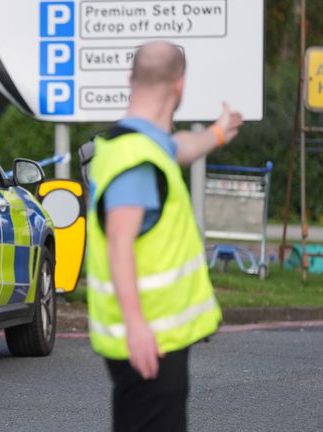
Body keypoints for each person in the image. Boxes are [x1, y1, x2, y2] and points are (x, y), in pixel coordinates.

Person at [86, 41, 243, 431]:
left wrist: (218, 134)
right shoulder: (137, 162)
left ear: (130, 80)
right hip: (149, 341)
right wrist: (136, 325)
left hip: (153, 338)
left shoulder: (134, 145)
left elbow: (180, 148)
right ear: (179, 87)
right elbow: (121, 241)